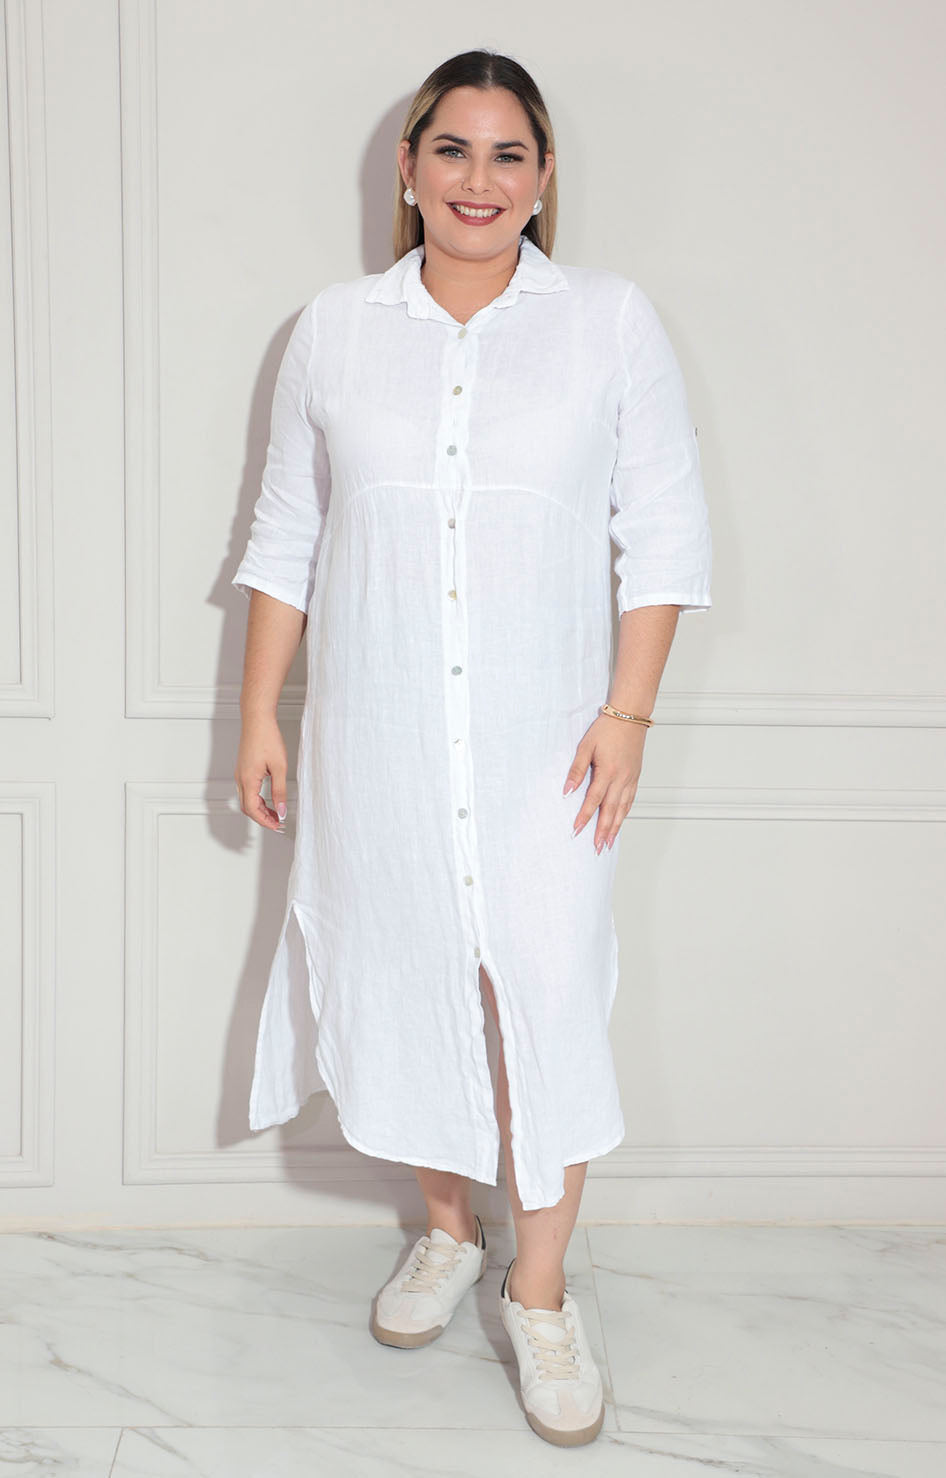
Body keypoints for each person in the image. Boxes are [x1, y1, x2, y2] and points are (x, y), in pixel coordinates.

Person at [232, 48, 712, 1448]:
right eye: (452, 149)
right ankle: (448, 1230)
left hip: (546, 750)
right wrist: (258, 711)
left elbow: (662, 533)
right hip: (378, 738)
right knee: (411, 980)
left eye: (509, 154)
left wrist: (627, 716)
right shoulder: (333, 332)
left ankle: (540, 1292)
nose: (479, 180)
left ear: (544, 177)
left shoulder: (607, 321)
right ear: (408, 167)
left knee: (542, 998)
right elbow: (286, 534)